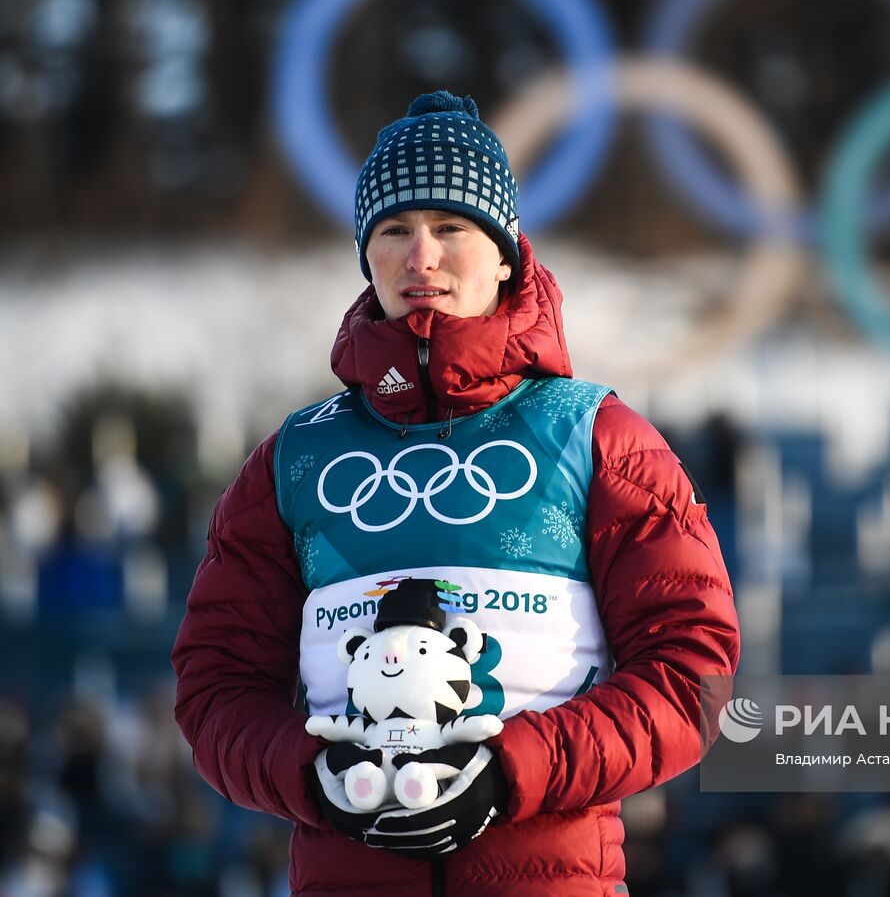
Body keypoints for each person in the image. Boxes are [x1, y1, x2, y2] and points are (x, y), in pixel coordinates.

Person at [171, 90, 741, 896]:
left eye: (452, 228)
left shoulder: (599, 437)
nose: (421, 257)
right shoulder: (294, 458)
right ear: (366, 256)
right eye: (394, 231)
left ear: (506, 252)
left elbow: (692, 673)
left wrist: (513, 772)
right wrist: (316, 775)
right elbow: (214, 689)